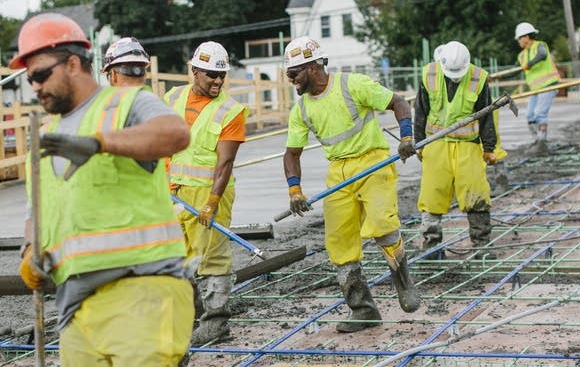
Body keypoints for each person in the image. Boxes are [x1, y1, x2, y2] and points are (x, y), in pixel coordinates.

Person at [12, 13, 194, 366]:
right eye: (28, 78)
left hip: (143, 291)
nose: (34, 86)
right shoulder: (47, 137)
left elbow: (176, 134)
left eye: (39, 75)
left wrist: (100, 143)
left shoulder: (124, 104)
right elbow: (38, 211)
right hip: (75, 309)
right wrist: (31, 248)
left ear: (73, 63)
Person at [282, 36, 420, 333]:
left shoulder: (352, 84)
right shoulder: (302, 108)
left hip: (372, 161)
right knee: (340, 243)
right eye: (288, 74)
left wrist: (407, 137)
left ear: (313, 67)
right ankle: (364, 309)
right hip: (338, 171)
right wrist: (295, 189)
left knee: (382, 223)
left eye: (294, 73)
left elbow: (398, 103)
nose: (291, 80)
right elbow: (292, 153)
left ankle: (404, 285)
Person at [164, 41, 248, 345]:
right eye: (211, 74)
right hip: (175, 193)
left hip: (211, 194)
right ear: (195, 71)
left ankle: (216, 323)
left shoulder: (231, 110)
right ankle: (190, 316)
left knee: (213, 257)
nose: (217, 81)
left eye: (221, 76)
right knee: (178, 256)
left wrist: (212, 202)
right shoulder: (172, 97)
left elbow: (225, 162)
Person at [414, 41, 497, 260]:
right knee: (432, 193)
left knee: (476, 193)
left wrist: (489, 147)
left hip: (467, 146)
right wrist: (418, 142)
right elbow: (420, 111)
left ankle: (481, 246)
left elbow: (486, 115)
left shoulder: (478, 78)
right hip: (435, 145)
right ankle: (431, 247)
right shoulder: (429, 74)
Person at [514, 22, 561, 154]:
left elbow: (542, 55)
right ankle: (536, 141)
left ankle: (542, 142)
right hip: (535, 89)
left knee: (540, 114)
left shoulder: (539, 46)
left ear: (526, 37)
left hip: (548, 85)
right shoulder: (521, 55)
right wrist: (496, 78)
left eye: (519, 38)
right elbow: (515, 70)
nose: (518, 41)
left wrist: (529, 64)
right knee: (530, 115)